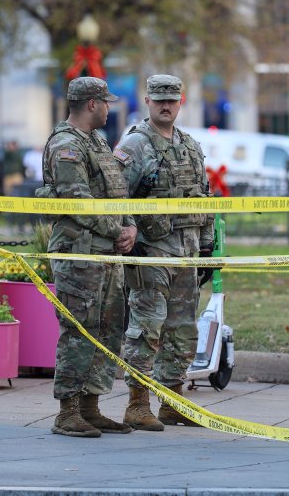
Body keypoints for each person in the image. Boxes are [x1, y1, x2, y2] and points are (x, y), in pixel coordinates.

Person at [37, 77, 139, 438]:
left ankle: (90, 407)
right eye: (106, 102)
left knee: (107, 329)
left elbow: (116, 191)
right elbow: (78, 202)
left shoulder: (95, 141)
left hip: (106, 254)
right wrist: (118, 230)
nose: (110, 109)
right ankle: (67, 411)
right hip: (79, 256)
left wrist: (130, 227)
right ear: (92, 104)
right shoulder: (66, 146)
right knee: (79, 331)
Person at [114, 74, 214, 430]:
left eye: (172, 99)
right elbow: (116, 196)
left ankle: (172, 401)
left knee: (182, 329)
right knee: (146, 327)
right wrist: (128, 228)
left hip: (186, 252)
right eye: (159, 99)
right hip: (152, 252)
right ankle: (137, 404)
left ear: (181, 101)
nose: (166, 105)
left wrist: (207, 244)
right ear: (148, 101)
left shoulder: (190, 145)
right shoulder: (135, 145)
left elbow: (204, 195)